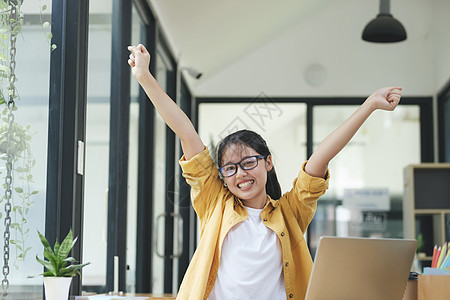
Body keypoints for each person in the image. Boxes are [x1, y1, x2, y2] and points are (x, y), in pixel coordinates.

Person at [127, 44, 402, 300]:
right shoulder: (215, 203)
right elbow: (185, 131)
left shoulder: (290, 212)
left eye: (248, 163)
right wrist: (144, 76)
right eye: (230, 168)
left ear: (267, 162)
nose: (240, 174)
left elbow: (322, 155)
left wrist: (369, 106)